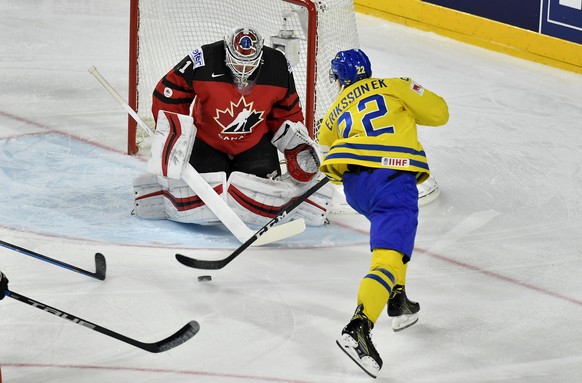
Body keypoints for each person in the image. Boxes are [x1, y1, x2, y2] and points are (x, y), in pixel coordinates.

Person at [317, 49, 449, 378]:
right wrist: (409, 97)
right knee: (388, 258)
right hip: (391, 177)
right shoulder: (394, 85)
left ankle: (398, 300)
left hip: (356, 187)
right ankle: (358, 327)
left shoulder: (333, 113)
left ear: (339, 80)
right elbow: (440, 113)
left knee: (395, 238)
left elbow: (324, 140)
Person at [133, 26, 333, 228]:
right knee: (198, 195)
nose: (243, 70)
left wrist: (296, 145)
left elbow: (287, 111)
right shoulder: (204, 58)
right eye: (237, 62)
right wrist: (175, 131)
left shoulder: (278, 66)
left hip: (255, 143)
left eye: (249, 64)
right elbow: (169, 90)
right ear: (227, 51)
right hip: (208, 141)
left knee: (265, 196)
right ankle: (165, 200)